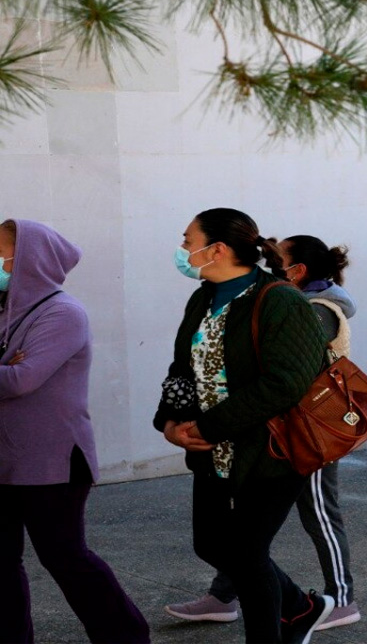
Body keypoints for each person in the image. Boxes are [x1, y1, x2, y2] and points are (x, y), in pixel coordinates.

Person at [154, 208, 333, 643]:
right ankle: (301, 607)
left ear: (215, 249)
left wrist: (211, 427)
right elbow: (184, 367)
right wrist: (170, 421)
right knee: (212, 545)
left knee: (247, 554)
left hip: (272, 451)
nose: (182, 250)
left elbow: (286, 384)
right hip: (211, 449)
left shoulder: (280, 300)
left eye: (186, 240)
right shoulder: (203, 296)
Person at [0, 219, 150, 644]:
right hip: (6, 458)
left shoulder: (63, 313)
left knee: (65, 557)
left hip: (53, 462)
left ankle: (126, 636)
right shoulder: (4, 308)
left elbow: (22, 380)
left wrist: (14, 369)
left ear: (29, 260)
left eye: (0, 253)